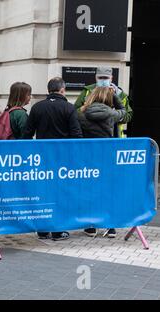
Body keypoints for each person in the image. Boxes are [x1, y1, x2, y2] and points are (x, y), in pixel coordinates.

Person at [23, 77, 83, 241]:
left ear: (49, 90)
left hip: (42, 159)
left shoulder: (37, 107)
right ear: (62, 90)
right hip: (63, 160)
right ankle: (58, 230)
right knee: (61, 194)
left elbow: (27, 134)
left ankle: (42, 230)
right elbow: (77, 136)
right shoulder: (69, 108)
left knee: (43, 193)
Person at [78, 86, 126, 238]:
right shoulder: (111, 114)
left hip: (88, 157)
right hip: (107, 157)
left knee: (89, 190)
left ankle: (90, 226)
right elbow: (124, 111)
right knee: (107, 190)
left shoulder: (81, 113)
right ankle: (110, 226)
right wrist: (115, 96)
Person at [74, 66, 133, 138]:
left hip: (114, 134)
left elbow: (128, 115)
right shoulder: (87, 91)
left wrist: (115, 116)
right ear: (96, 78)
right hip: (90, 134)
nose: (103, 80)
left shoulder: (120, 94)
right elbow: (75, 111)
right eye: (100, 78)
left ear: (111, 78)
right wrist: (85, 108)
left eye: (106, 78)